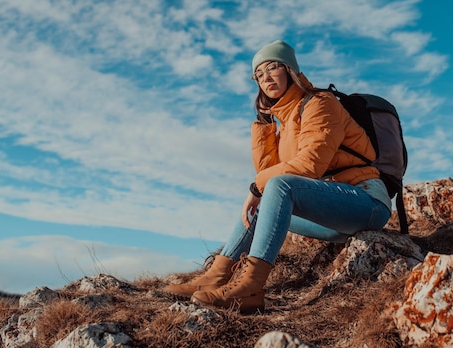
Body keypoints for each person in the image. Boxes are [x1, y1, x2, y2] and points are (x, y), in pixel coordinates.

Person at [164, 40, 392, 313]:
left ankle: (251, 287)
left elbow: (309, 167)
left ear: (290, 70)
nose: (266, 77)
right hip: (333, 216)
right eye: (258, 75)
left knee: (277, 187)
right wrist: (263, 125)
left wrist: (256, 186)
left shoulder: (321, 103)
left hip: (365, 201)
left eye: (272, 68)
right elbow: (268, 173)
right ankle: (216, 276)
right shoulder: (285, 122)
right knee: (269, 195)